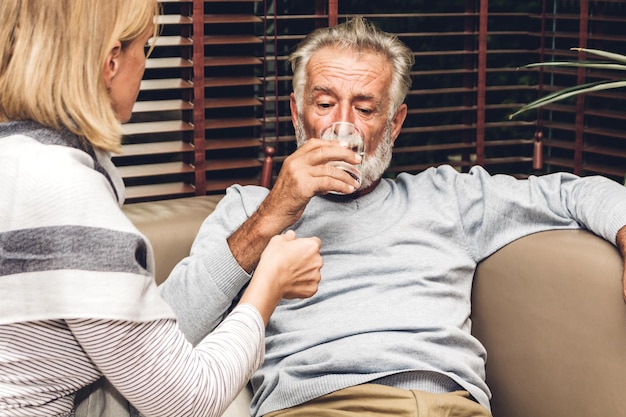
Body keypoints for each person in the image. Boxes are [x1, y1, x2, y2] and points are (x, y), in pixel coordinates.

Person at [159, 17, 626, 417]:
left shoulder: (448, 195)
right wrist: (274, 212)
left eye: (365, 109)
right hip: (322, 405)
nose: (342, 126)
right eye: (324, 105)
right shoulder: (248, 209)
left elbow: (573, 193)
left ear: (395, 123)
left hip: (451, 405)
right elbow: (166, 333)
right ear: (298, 114)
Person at [0, 1, 323, 416]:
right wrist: (268, 285)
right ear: (111, 62)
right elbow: (187, 400)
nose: (145, 65)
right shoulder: (64, 192)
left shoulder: (18, 160)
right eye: (147, 47)